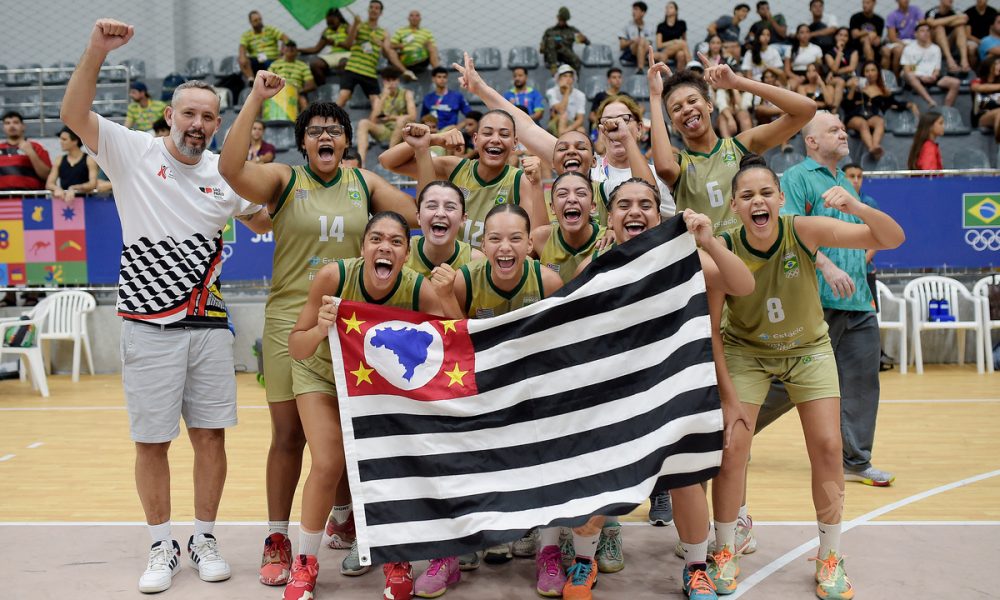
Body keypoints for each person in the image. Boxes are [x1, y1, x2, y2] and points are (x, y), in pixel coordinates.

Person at [61, 18, 271, 594]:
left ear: (217, 124)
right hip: (146, 323)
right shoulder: (132, 152)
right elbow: (74, 115)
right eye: (189, 114)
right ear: (170, 115)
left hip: (207, 323)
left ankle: (204, 535)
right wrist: (96, 50)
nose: (198, 124)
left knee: (210, 436)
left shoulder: (223, 176)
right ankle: (161, 542)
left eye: (208, 117)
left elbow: (270, 219)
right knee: (152, 440)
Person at [217, 70, 420, 591]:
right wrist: (257, 100)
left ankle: (346, 516)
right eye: (315, 131)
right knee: (289, 437)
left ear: (347, 141)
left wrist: (420, 154)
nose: (325, 136)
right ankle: (277, 538)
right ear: (303, 142)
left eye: (334, 129)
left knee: (352, 435)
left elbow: (417, 218)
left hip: (354, 324)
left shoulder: (365, 183)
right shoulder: (284, 181)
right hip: (292, 316)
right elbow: (230, 166)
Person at [709, 150, 904, 598]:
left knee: (829, 446)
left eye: (765, 193)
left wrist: (854, 206)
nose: (757, 201)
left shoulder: (804, 230)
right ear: (735, 206)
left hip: (807, 350)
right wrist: (728, 397)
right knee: (732, 446)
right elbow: (712, 330)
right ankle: (724, 548)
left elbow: (891, 238)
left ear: (780, 199)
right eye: (747, 195)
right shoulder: (724, 246)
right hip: (746, 352)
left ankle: (830, 556)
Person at [574, 179, 755, 600]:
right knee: (601, 479)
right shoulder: (594, 268)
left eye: (645, 205)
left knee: (684, 478)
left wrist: (709, 242)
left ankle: (696, 568)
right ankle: (584, 560)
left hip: (673, 393)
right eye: (624, 204)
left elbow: (743, 286)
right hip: (615, 396)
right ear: (609, 217)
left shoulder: (686, 262)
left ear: (660, 216)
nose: (634, 211)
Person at [285, 211, 461, 600]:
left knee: (394, 462)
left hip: (381, 386)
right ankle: (305, 562)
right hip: (322, 377)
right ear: (363, 247)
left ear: (407, 252)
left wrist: (447, 298)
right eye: (377, 239)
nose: (385, 247)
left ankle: (396, 556)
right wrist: (319, 327)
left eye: (396, 241)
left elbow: (458, 344)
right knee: (329, 461)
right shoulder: (335, 277)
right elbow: (296, 347)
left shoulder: (419, 289)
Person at [452, 51, 657, 231]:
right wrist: (480, 89)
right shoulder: (586, 166)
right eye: (607, 122)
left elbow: (648, 193)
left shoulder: (658, 174)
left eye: (624, 120)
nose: (615, 127)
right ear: (600, 131)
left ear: (640, 128)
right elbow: (528, 128)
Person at [379, 110, 547, 250]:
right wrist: (434, 139)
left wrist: (537, 185)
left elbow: (535, 243)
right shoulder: (454, 168)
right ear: (475, 140)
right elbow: (387, 161)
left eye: (504, 134)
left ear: (515, 143)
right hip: (447, 270)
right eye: (487, 133)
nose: (495, 139)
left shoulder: (521, 181)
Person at [531, 171, 604, 284]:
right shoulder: (540, 238)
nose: (572, 199)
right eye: (562, 194)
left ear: (592, 207)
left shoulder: (607, 239)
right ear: (553, 208)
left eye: (580, 193)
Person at [336, 1, 412, 108]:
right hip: (352, 68)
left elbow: (387, 53)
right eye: (371, 7)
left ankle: (375, 124)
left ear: (381, 13)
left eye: (377, 8)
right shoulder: (359, 26)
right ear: (368, 10)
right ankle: (329, 122)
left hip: (369, 72)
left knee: (377, 103)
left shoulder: (384, 32)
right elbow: (348, 44)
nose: (373, 10)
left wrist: (381, 44)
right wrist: (354, 24)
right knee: (343, 96)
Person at [405, 180, 485, 278]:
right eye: (432, 206)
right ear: (418, 217)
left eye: (450, 207)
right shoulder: (402, 252)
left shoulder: (476, 262)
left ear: (463, 219)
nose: (440, 213)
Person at [842, 61, 917, 159]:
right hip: (855, 116)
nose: (870, 73)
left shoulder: (882, 90)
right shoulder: (857, 87)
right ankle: (871, 148)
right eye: (867, 71)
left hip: (872, 116)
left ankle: (875, 146)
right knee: (862, 124)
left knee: (880, 121)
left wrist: (910, 104)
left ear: (878, 73)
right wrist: (852, 89)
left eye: (873, 70)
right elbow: (846, 105)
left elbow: (894, 103)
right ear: (863, 74)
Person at [356, 66, 417, 166]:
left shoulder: (406, 93)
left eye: (394, 80)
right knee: (363, 123)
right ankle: (361, 162)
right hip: (386, 130)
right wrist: (383, 98)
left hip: (403, 131)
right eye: (388, 80)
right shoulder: (379, 97)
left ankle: (388, 156)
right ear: (383, 81)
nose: (391, 83)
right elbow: (372, 120)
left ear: (398, 80)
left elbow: (413, 116)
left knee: (402, 119)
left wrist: (391, 118)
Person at [901, 23, 962, 108]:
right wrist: (921, 76)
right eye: (922, 31)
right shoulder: (909, 49)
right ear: (916, 34)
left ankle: (946, 109)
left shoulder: (935, 48)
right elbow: (908, 69)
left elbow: (937, 68)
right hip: (916, 77)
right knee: (908, 74)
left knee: (956, 82)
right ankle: (930, 101)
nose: (925, 33)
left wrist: (934, 75)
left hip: (931, 76)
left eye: (927, 31)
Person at [0, 110, 51, 190]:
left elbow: (47, 176)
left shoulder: (36, 147)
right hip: (3, 200)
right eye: (7, 123)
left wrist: (31, 153)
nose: (12, 126)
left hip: (30, 200)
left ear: (23, 126)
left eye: (15, 122)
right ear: (3, 127)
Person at [45, 127, 98, 203]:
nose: (61, 142)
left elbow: (93, 183)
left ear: (75, 141)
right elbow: (49, 183)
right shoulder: (59, 159)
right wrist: (56, 188)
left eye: (64, 139)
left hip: (87, 203)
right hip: (65, 202)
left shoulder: (89, 159)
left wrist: (74, 188)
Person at [302, 8, 351, 85]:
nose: (330, 25)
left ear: (338, 18)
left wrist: (335, 43)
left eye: (332, 22)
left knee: (343, 64)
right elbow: (316, 49)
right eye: (328, 23)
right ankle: (323, 87)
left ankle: (345, 88)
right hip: (332, 55)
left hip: (347, 54)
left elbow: (350, 45)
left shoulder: (347, 28)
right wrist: (298, 49)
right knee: (315, 64)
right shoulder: (326, 31)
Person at [238, 10, 289, 81]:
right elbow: (242, 47)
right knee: (241, 59)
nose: (259, 22)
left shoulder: (270, 29)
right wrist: (242, 56)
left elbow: (286, 39)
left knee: (273, 65)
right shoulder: (246, 35)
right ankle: (251, 79)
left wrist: (282, 53)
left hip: (272, 59)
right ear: (250, 22)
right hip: (256, 61)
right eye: (255, 20)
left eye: (260, 19)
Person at [268, 41, 316, 112]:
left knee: (304, 103)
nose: (290, 49)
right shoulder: (275, 64)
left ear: (296, 51)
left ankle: (302, 122)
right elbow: (268, 79)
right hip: (277, 90)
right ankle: (258, 121)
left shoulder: (303, 65)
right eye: (287, 47)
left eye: (292, 48)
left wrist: (299, 91)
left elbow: (311, 84)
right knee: (259, 99)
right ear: (283, 50)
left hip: (296, 92)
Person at [926, 0, 972, 73]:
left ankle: (964, 60)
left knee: (960, 27)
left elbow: (964, 20)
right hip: (936, 43)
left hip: (950, 42)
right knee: (939, 28)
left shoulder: (956, 10)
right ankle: (950, 60)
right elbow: (931, 23)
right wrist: (955, 17)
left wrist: (940, 22)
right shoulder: (933, 11)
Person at [541, 6, 589, 74]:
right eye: (561, 19)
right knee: (552, 40)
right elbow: (542, 48)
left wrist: (584, 39)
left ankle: (575, 80)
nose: (562, 21)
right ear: (558, 17)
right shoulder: (550, 31)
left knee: (576, 61)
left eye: (564, 20)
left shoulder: (572, 31)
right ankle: (553, 67)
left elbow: (587, 42)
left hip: (567, 55)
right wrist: (544, 46)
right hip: (551, 57)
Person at [420, 66, 470, 131]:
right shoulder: (427, 98)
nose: (442, 79)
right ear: (433, 79)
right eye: (439, 77)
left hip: (450, 133)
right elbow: (423, 119)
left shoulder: (457, 96)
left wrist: (458, 127)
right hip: (432, 133)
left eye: (444, 77)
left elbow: (470, 115)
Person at [391, 10, 440, 74]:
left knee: (432, 47)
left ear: (420, 19)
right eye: (412, 15)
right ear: (408, 18)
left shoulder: (426, 32)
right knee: (391, 51)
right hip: (404, 57)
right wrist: (400, 45)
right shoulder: (400, 31)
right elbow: (391, 45)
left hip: (422, 58)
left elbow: (433, 47)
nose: (414, 17)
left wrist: (427, 45)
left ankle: (438, 72)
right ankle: (405, 71)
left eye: (417, 15)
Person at [883, 0, 924, 73]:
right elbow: (892, 38)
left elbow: (923, 26)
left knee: (916, 49)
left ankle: (914, 73)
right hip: (899, 42)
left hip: (914, 41)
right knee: (898, 50)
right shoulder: (892, 15)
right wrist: (905, 45)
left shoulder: (916, 10)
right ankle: (896, 76)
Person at [546, 64, 587, 135]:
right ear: (558, 79)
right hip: (555, 121)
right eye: (565, 76)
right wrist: (567, 91)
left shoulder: (580, 95)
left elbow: (580, 119)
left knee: (581, 130)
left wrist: (566, 131)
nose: (568, 79)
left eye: (570, 76)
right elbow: (561, 110)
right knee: (563, 116)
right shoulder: (551, 92)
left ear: (574, 79)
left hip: (571, 123)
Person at [619, 1, 655, 74]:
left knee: (662, 56)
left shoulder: (650, 27)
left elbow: (649, 44)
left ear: (643, 12)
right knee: (641, 41)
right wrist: (633, 41)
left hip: (645, 52)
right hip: (631, 53)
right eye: (633, 9)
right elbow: (622, 46)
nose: (633, 12)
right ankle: (640, 68)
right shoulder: (627, 26)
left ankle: (665, 79)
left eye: (636, 9)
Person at [786, 23, 825, 89]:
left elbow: (819, 68)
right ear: (797, 35)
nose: (805, 35)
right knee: (790, 86)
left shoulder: (816, 48)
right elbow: (787, 70)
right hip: (796, 75)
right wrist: (797, 77)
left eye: (807, 32)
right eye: (802, 32)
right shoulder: (790, 49)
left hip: (812, 75)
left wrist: (808, 76)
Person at [972, 57, 1000, 141]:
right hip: (982, 116)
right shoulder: (978, 81)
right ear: (989, 66)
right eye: (997, 64)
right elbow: (977, 88)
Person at [655, 2, 691, 67]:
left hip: (677, 50)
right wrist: (674, 41)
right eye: (666, 8)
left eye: (671, 7)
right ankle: (691, 66)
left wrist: (679, 43)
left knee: (681, 54)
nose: (668, 9)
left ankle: (680, 76)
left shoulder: (681, 24)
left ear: (676, 11)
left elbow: (684, 40)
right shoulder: (661, 26)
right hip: (664, 50)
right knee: (682, 44)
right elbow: (659, 45)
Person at [966, 0, 999, 66]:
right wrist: (981, 42)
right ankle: (973, 70)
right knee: (972, 47)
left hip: (989, 39)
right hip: (974, 40)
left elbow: (993, 29)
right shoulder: (969, 12)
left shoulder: (993, 12)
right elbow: (967, 34)